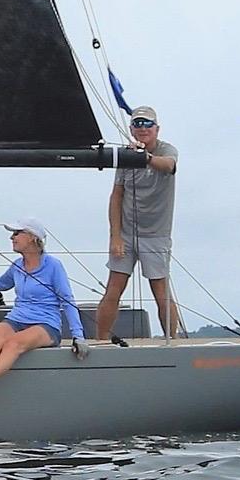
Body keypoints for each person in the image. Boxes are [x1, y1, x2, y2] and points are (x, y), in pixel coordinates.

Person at [0, 221, 87, 395]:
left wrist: (78, 336)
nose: (12, 237)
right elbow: (0, 284)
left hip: (46, 324)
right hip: (17, 318)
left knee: (14, 343)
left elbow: (67, 300)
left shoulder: (53, 266)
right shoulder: (17, 265)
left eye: (17, 233)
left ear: (33, 238)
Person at [96, 105, 181, 340]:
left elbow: (169, 166)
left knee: (161, 291)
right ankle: (100, 342)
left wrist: (145, 157)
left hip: (156, 234)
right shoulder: (126, 155)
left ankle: (171, 342)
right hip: (126, 233)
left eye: (148, 124)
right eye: (138, 124)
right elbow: (116, 196)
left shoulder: (167, 150)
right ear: (132, 129)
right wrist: (115, 236)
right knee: (114, 287)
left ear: (157, 129)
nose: (143, 129)